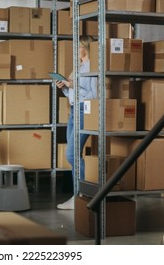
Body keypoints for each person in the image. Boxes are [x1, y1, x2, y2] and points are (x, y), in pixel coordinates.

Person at [55, 35, 97, 210]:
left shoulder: (92, 67)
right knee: (74, 155)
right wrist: (64, 87)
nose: (75, 49)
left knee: (71, 155)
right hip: (73, 112)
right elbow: (72, 91)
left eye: (77, 46)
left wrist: (72, 85)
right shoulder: (78, 67)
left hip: (84, 112)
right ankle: (78, 195)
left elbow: (94, 95)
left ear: (85, 47)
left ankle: (87, 192)